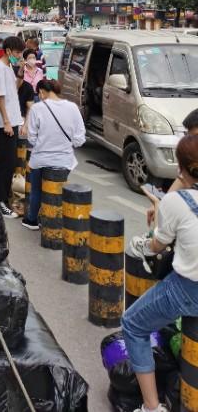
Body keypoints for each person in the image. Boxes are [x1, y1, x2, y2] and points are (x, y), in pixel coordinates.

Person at [121, 134, 198, 412]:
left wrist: (156, 220)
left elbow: (155, 246)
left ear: (181, 168)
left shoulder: (176, 202)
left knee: (132, 324)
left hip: (188, 289)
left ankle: (151, 407)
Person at [22, 78, 85, 231]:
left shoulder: (37, 108)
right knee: (57, 190)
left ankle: (32, 220)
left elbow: (32, 138)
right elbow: (80, 139)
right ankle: (54, 219)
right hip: (64, 161)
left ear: (42, 92)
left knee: (36, 189)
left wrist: (44, 144)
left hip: (40, 159)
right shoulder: (73, 107)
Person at [0, 36, 25, 219]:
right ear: (8, 51)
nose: (20, 55)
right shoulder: (0, 68)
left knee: (9, 162)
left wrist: (20, 72)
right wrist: (5, 122)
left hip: (13, 120)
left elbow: (14, 89)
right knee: (5, 163)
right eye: (18, 52)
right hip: (6, 123)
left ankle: (3, 198)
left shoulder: (9, 67)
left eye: (21, 52)